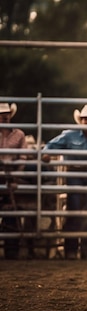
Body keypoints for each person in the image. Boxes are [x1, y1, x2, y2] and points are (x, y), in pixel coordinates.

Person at [42, 105, 87, 259]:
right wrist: (47, 154)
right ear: (81, 120)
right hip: (74, 174)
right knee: (74, 210)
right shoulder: (69, 135)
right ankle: (71, 249)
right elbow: (51, 145)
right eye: (86, 119)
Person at [0, 103, 28, 259]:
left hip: (12, 174)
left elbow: (23, 157)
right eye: (1, 114)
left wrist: (16, 175)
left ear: (10, 115)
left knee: (12, 209)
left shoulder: (19, 134)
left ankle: (12, 250)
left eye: (6, 113)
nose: (4, 116)